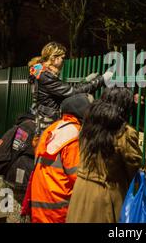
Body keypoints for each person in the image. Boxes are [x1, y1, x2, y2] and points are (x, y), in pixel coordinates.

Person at [66, 87, 145, 223]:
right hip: (106, 195)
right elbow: (133, 166)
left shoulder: (88, 126)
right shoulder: (124, 132)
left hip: (81, 191)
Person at [29, 93, 92, 223]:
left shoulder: (53, 128)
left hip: (39, 199)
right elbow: (77, 176)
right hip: (57, 205)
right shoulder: (74, 134)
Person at [28, 42, 112, 135]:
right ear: (54, 58)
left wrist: (85, 81)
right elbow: (73, 92)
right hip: (48, 123)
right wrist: (101, 80)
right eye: (62, 58)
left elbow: (67, 90)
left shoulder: (41, 73)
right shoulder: (46, 77)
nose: (63, 61)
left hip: (45, 118)